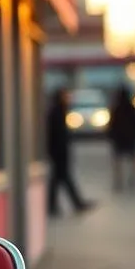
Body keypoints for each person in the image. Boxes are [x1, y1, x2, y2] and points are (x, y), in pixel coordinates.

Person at [46, 88, 91, 216]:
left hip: (58, 151)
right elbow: (56, 135)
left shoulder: (59, 111)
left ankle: (55, 206)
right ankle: (74, 204)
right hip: (58, 152)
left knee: (58, 179)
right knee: (62, 178)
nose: (69, 99)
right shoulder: (57, 112)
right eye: (66, 96)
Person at [107, 84, 135, 192]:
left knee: (118, 160)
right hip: (131, 137)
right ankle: (133, 179)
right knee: (134, 159)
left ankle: (118, 181)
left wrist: (111, 136)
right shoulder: (132, 108)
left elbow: (112, 125)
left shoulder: (116, 108)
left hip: (119, 138)